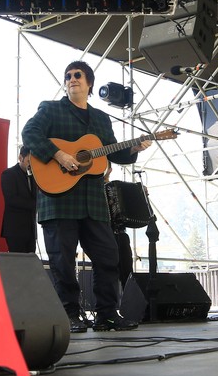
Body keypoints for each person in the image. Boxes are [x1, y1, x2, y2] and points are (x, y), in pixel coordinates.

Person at [22, 61, 151, 333]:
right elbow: (30, 133)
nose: (72, 79)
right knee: (62, 261)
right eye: (68, 76)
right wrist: (58, 154)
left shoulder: (101, 119)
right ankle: (69, 314)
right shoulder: (51, 109)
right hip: (58, 199)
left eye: (77, 75)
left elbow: (112, 151)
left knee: (108, 257)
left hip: (93, 201)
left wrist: (134, 148)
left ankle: (107, 314)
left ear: (89, 83)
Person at [0, 145, 37, 253]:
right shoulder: (9, 174)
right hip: (15, 229)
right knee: (17, 260)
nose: (31, 164)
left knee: (30, 259)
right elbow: (11, 199)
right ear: (20, 158)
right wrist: (36, 204)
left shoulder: (34, 176)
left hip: (31, 230)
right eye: (29, 161)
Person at [104, 162, 135, 288]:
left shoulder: (117, 187)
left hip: (120, 235)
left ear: (109, 170)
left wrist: (141, 195)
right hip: (103, 235)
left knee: (127, 273)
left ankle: (127, 298)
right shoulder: (93, 190)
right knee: (106, 274)